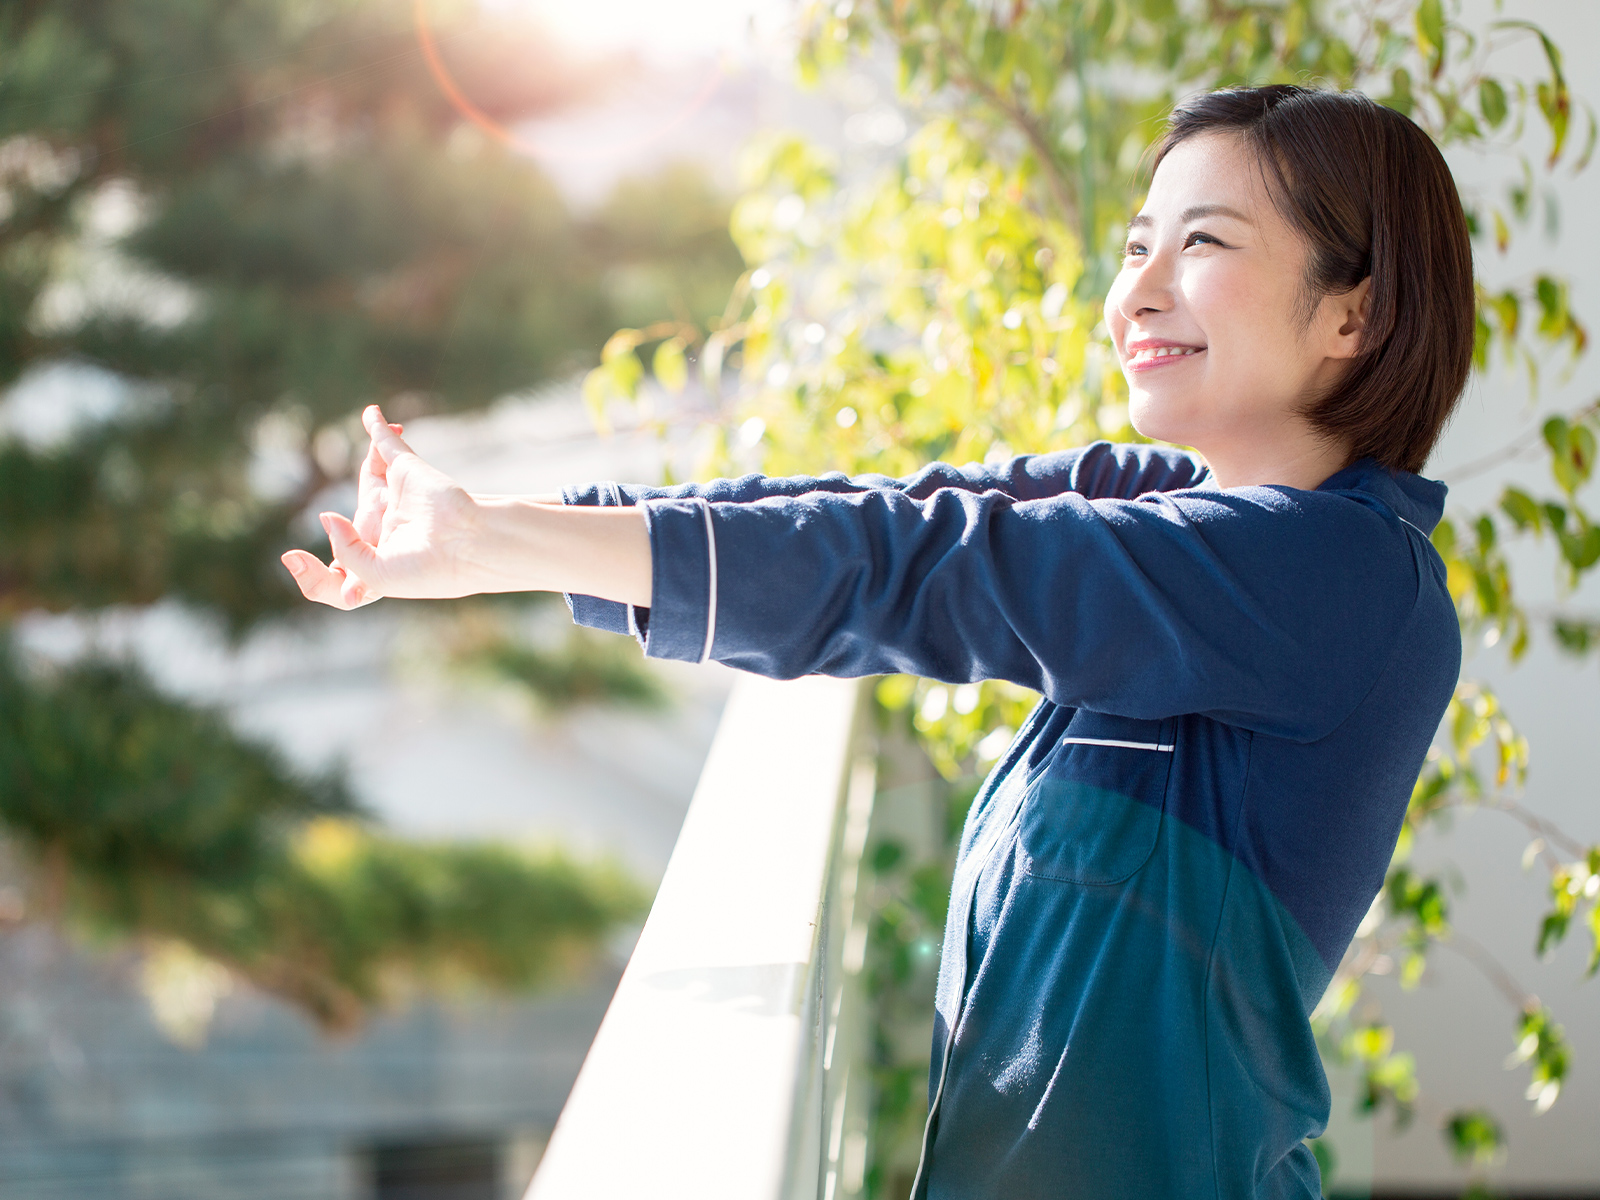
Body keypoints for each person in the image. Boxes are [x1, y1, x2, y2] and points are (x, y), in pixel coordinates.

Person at [282, 85, 1470, 1199]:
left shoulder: (1344, 579)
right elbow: (891, 515)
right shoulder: (1165, 506)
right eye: (1134, 246)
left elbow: (925, 572)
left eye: (1202, 244)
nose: (1138, 291)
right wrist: (496, 539)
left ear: (1354, 309)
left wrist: (502, 545)